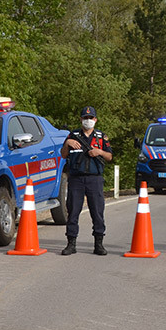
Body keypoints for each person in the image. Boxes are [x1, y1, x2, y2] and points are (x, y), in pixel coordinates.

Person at [60, 106, 113, 256]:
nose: (88, 121)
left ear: (95, 120)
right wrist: (67, 144)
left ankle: (99, 244)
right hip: (76, 179)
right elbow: (63, 155)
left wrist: (99, 152)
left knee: (97, 212)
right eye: (85, 118)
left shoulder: (101, 137)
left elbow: (109, 157)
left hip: (94, 179)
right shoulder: (73, 135)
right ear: (80, 119)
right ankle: (71, 244)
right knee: (73, 212)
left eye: (91, 118)